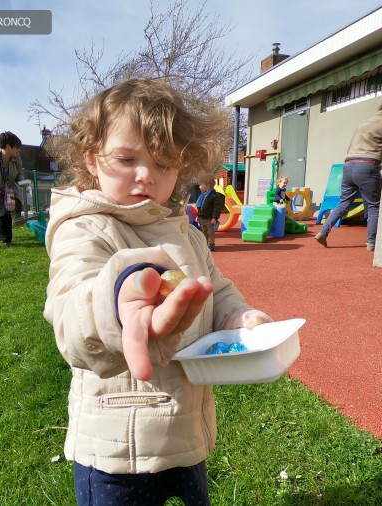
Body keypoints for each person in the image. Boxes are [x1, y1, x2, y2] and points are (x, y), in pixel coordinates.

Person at [42, 78, 272, 506]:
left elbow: (216, 289)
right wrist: (118, 311)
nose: (146, 175)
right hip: (116, 451)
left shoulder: (185, 232)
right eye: (127, 159)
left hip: (184, 432)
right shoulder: (86, 227)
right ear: (92, 159)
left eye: (164, 164)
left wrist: (238, 316)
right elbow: (74, 302)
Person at [315, 96, 382, 252]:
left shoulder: (364, 123)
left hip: (348, 164)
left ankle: (323, 231)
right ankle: (371, 243)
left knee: (344, 203)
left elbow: (349, 147)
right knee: (373, 206)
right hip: (368, 166)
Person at [195, 174, 225, 251]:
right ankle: (205, 244)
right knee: (204, 232)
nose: (199, 187)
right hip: (202, 218)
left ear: (207, 185)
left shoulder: (214, 196)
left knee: (210, 232)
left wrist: (215, 218)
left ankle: (211, 245)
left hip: (209, 218)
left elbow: (216, 208)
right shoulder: (202, 196)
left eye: (201, 184)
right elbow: (200, 207)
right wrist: (198, 215)